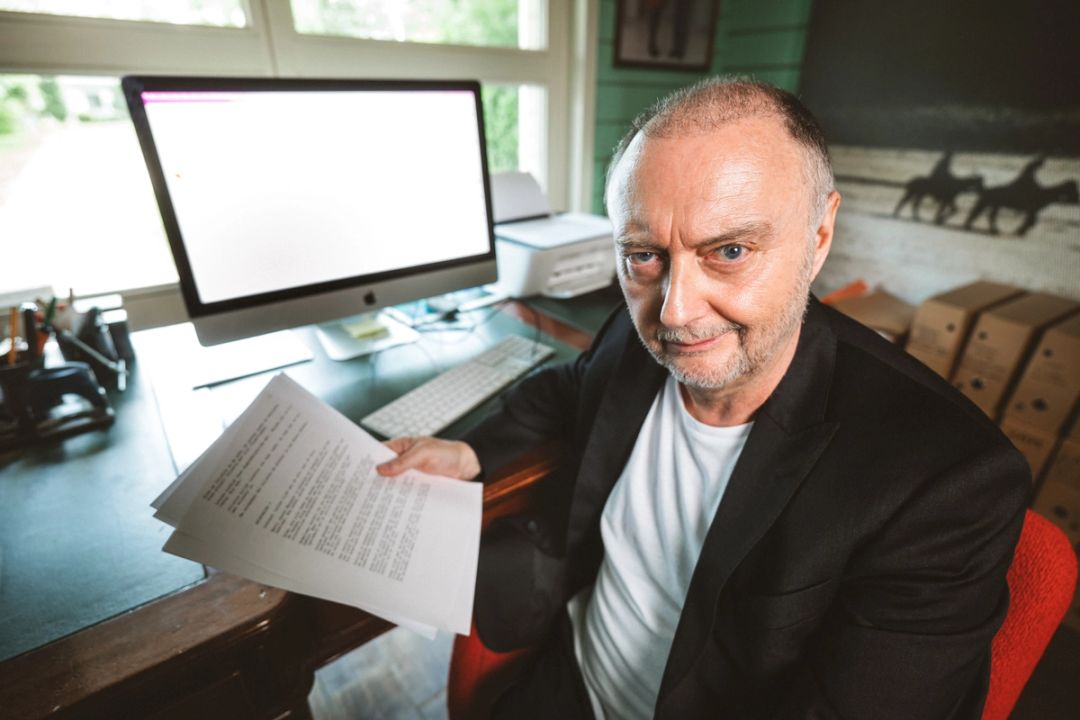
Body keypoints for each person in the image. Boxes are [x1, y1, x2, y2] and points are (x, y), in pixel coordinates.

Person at [376, 78, 1029, 719]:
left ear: (819, 235)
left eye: (731, 251)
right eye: (644, 256)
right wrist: (467, 449)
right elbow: (570, 386)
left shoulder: (946, 482)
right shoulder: (632, 338)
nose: (676, 311)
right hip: (566, 678)